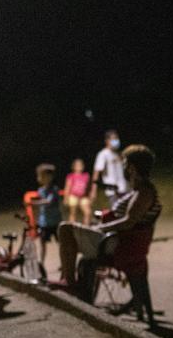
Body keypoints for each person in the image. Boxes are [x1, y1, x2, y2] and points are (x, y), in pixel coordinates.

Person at [57, 144, 161, 325]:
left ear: (133, 167)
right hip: (117, 240)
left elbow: (129, 221)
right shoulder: (139, 190)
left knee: (65, 229)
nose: (124, 167)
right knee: (80, 251)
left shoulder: (144, 192)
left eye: (126, 163)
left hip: (118, 244)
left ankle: (70, 283)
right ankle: (75, 286)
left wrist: (101, 229)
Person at [27, 163, 62, 263]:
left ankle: (63, 263)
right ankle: (41, 263)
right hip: (44, 223)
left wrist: (34, 203)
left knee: (61, 244)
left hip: (55, 222)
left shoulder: (54, 190)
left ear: (50, 177)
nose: (39, 178)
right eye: (39, 175)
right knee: (42, 243)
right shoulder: (40, 190)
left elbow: (48, 201)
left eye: (41, 175)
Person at [90, 129, 126, 208]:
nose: (116, 141)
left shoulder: (118, 154)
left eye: (117, 139)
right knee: (117, 212)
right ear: (107, 141)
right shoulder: (103, 154)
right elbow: (96, 172)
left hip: (123, 188)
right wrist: (93, 190)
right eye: (113, 139)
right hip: (113, 190)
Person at [62, 158, 92, 225]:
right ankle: (72, 228)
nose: (79, 167)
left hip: (83, 197)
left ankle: (86, 228)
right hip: (73, 196)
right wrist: (65, 198)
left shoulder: (86, 176)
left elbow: (88, 187)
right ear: (74, 167)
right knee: (73, 212)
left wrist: (90, 196)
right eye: (77, 165)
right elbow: (67, 187)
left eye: (81, 165)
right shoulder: (71, 176)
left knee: (88, 212)